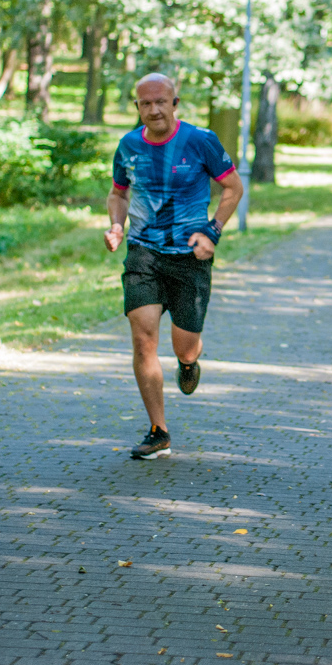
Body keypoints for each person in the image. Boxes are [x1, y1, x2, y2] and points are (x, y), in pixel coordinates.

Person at [104, 73, 245, 460]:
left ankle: (189, 361)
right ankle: (158, 431)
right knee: (142, 339)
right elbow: (118, 193)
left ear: (174, 103)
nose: (154, 110)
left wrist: (213, 231)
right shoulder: (128, 146)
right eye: (145, 104)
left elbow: (233, 187)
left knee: (184, 346)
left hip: (190, 258)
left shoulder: (201, 141)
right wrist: (117, 225)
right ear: (137, 108)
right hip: (143, 254)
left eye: (160, 102)